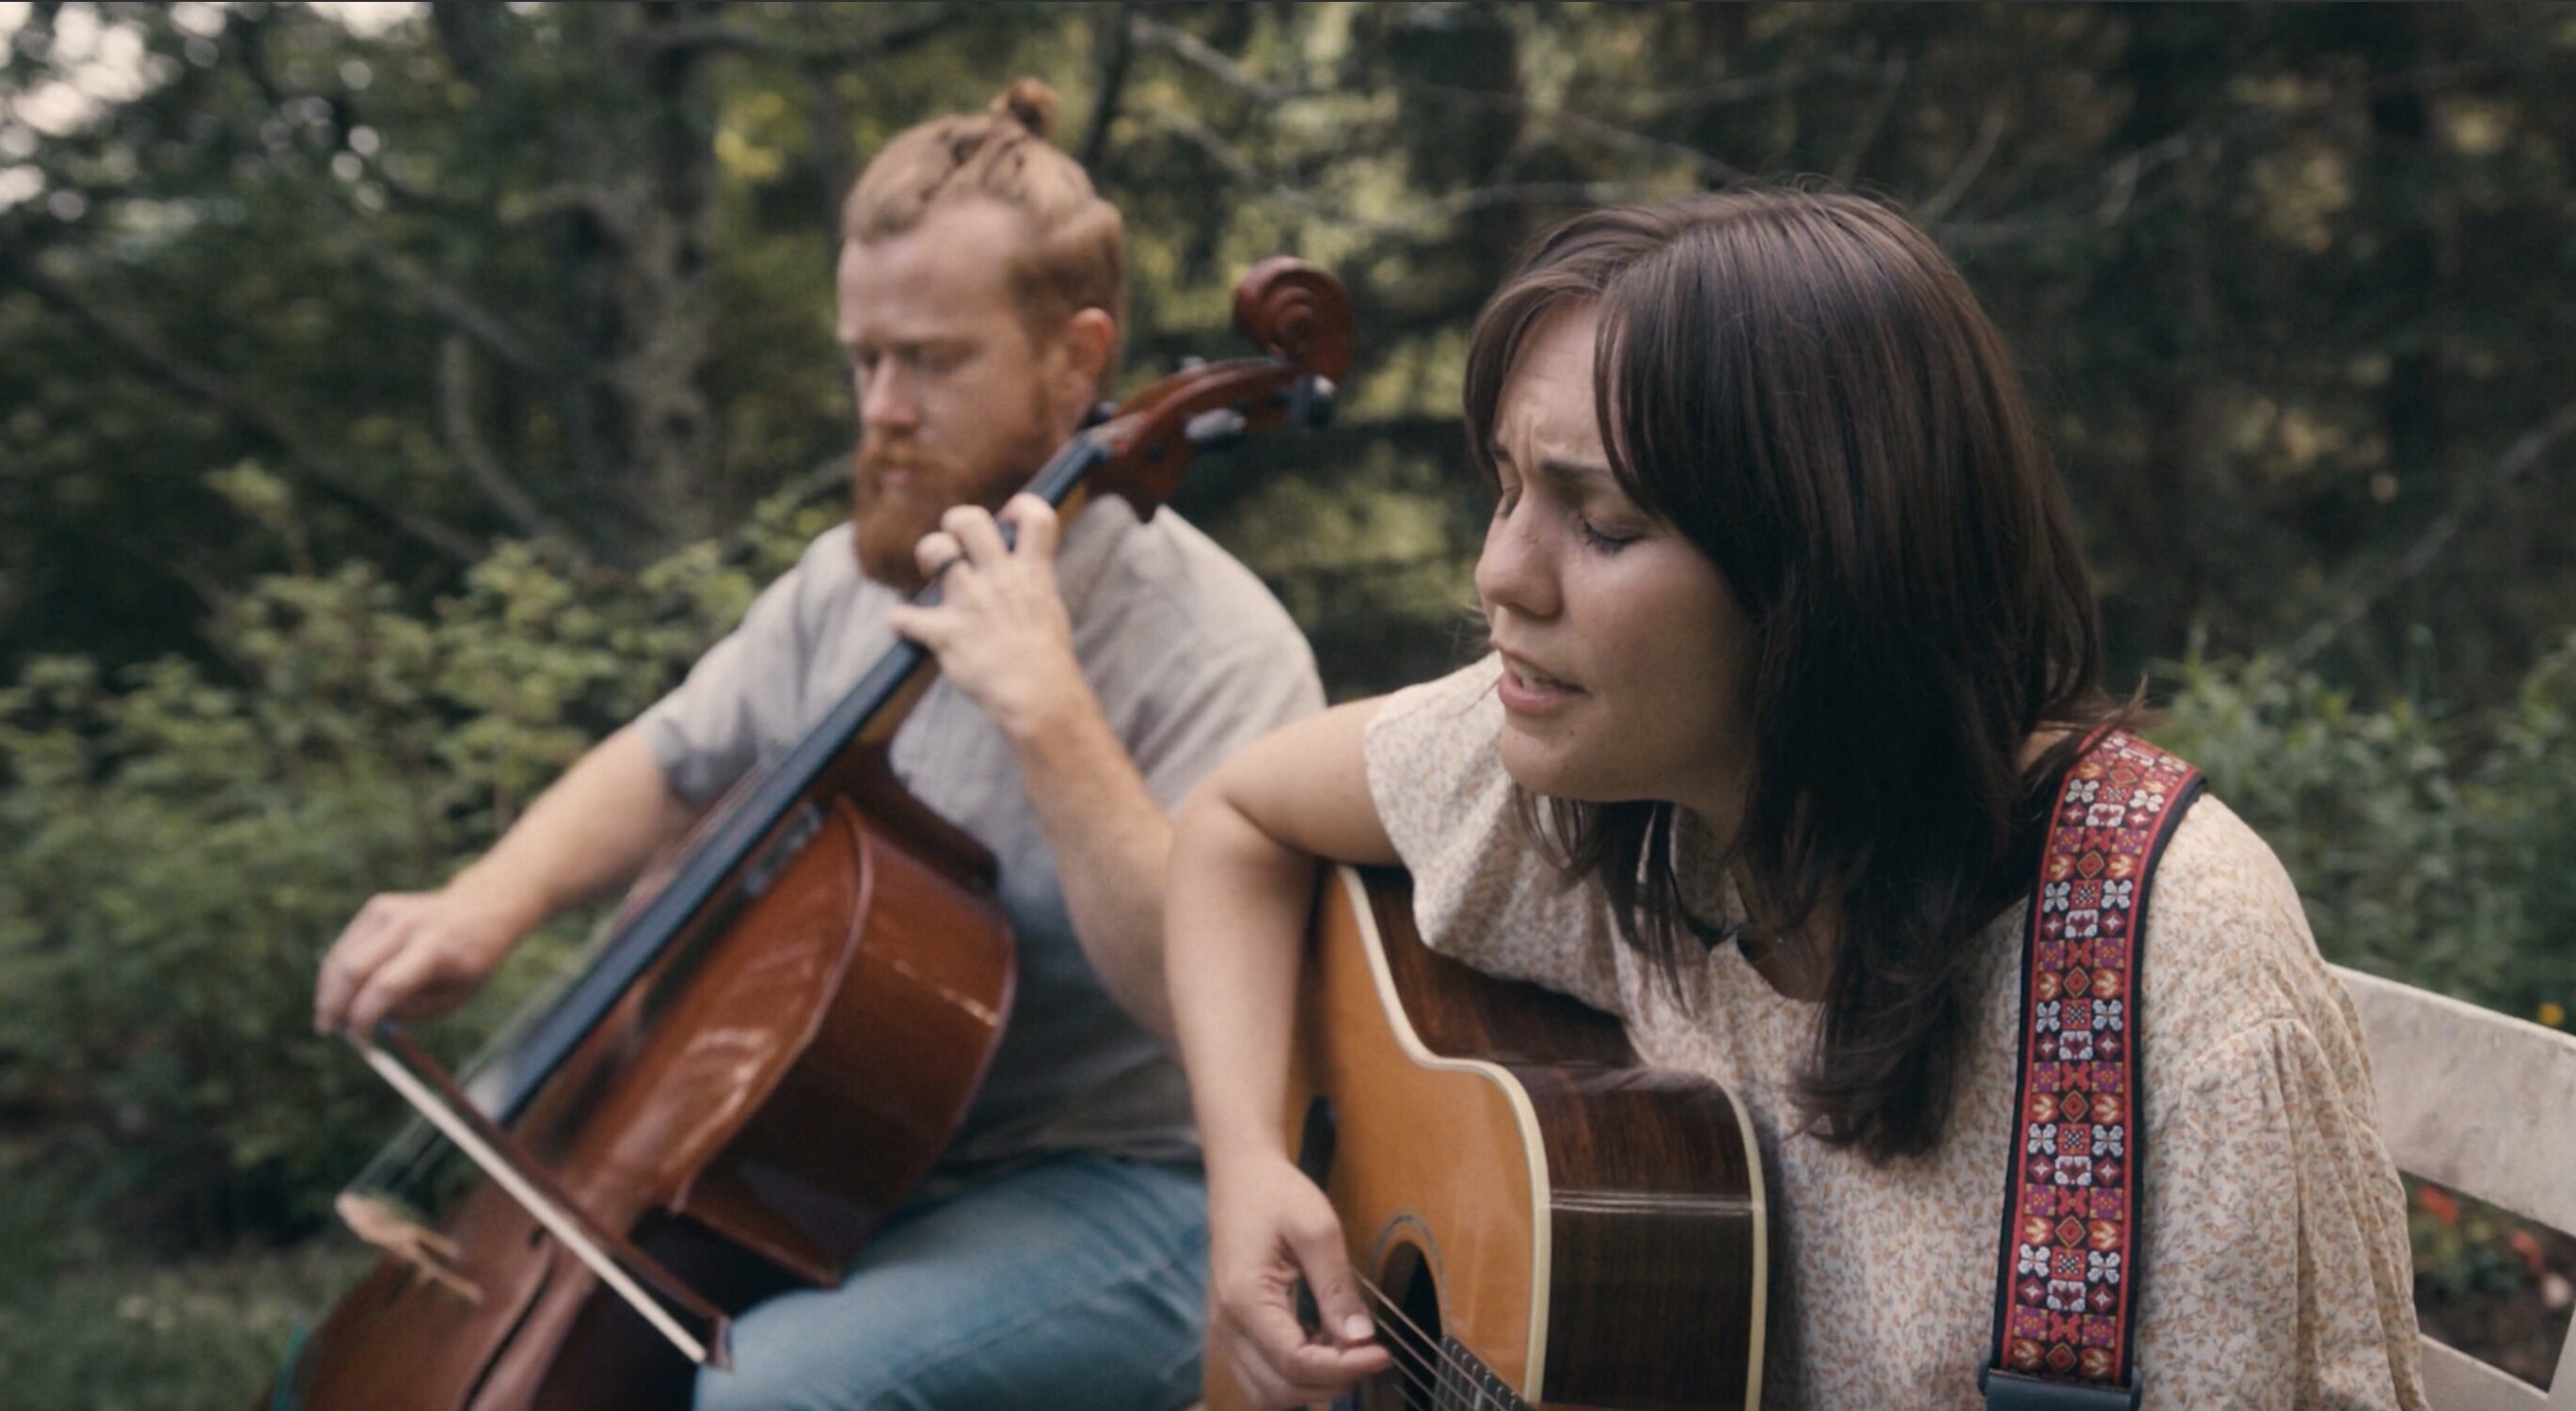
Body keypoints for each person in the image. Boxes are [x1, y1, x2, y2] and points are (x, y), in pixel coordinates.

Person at [1165, 190, 2426, 1409]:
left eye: (1601, 525)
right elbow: (1235, 820)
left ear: (1826, 571)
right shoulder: (1599, 778)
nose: (1500, 573)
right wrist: (1249, 1171)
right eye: (1506, 488)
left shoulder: (2165, 977)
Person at [312, 79, 1323, 1411]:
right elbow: (668, 755)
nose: (882, 408)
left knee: (772, 1396)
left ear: (1078, 359)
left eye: (933, 361)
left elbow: (1215, 1012)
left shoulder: (1219, 650)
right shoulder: (849, 582)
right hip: (853, 1167)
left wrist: (1050, 717)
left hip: (1132, 1191)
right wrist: (485, 901)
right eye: (863, 359)